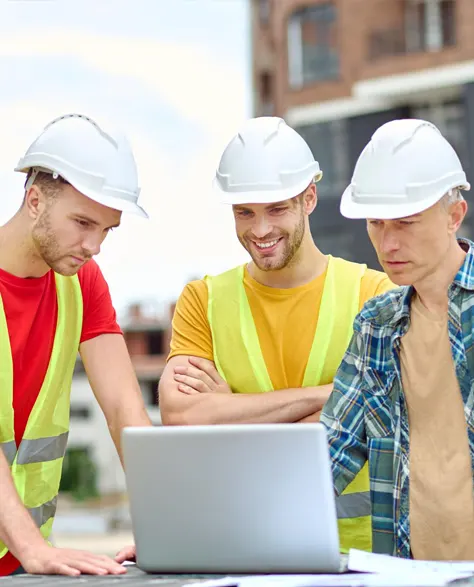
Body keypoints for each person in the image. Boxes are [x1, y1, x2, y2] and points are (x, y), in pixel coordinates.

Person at [158, 116, 395, 553]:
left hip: (360, 556)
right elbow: (183, 417)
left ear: (309, 199)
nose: (260, 230)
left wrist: (229, 412)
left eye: (276, 209)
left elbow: (386, 409)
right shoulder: (202, 300)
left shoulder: (375, 294)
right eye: (244, 212)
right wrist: (331, 395)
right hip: (242, 544)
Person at [0, 113, 152, 576]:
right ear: (34, 201)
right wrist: (33, 548)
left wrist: (165, 524)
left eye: (107, 229)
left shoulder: (82, 283)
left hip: (24, 566)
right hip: (31, 555)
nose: (94, 246)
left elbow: (126, 408)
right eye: (83, 222)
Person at [321, 118, 474, 560]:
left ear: (454, 216)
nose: (387, 243)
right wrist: (199, 534)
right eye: (375, 223)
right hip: (407, 573)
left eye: (405, 222)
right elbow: (328, 455)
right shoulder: (376, 325)